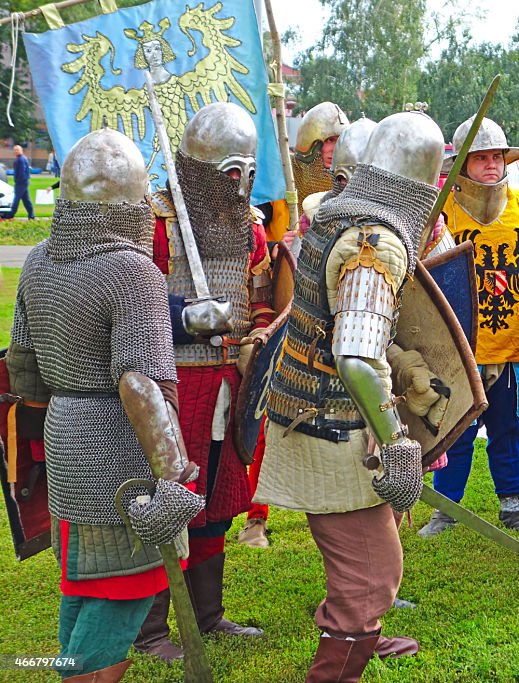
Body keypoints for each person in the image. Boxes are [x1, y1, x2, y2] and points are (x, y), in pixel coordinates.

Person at [254, 110, 446, 680]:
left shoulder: (340, 217)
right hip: (333, 421)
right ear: (423, 183)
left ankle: (364, 628)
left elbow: (351, 333)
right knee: (372, 575)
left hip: (314, 410)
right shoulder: (375, 242)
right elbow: (356, 357)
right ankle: (347, 644)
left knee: (362, 555)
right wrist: (398, 443)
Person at [8, 129, 202, 681]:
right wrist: (171, 479)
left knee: (85, 580)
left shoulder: (38, 260)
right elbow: (141, 387)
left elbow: (23, 367)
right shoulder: (132, 270)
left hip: (66, 441)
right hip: (119, 450)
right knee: (123, 587)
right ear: (135, 203)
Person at [134, 102, 271, 661]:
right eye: (228, 173)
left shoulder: (251, 229)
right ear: (197, 169)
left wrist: (257, 339)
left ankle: (208, 614)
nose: (239, 187)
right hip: (170, 384)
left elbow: (261, 300)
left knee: (216, 494)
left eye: (247, 174)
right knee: (169, 497)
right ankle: (150, 630)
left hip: (226, 386)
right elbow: (129, 302)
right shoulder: (152, 222)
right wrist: (184, 314)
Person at [418, 117, 519, 537]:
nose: (490, 166)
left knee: (507, 428)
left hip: (511, 343)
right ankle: (446, 509)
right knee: (456, 431)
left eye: (496, 157)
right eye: (480, 158)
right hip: (458, 343)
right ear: (463, 164)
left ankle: (512, 507)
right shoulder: (440, 210)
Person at [238, 116, 380, 550]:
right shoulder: (283, 201)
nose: (331, 148)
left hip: (356, 332)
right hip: (292, 327)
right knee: (266, 416)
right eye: (326, 141)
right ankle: (256, 516)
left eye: (338, 140)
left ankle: (380, 514)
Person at [3, 144, 35, 219]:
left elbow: (22, 172)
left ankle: (10, 215)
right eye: (15, 150)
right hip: (23, 182)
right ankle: (31, 215)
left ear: (21, 150)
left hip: (21, 183)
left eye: (17, 150)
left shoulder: (20, 160)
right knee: (26, 200)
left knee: (16, 200)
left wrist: (19, 180)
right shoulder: (22, 158)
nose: (15, 151)